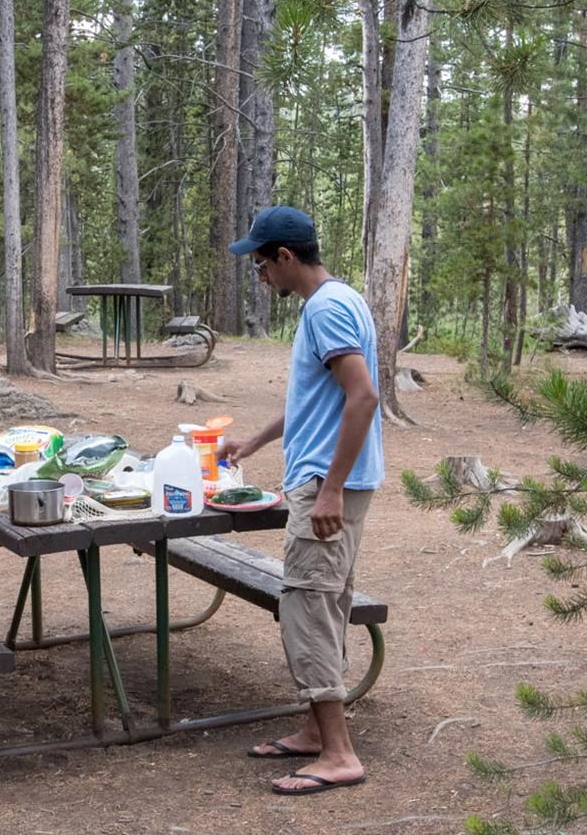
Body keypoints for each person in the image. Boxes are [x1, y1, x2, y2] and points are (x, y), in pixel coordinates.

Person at [217, 206, 384, 795]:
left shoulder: (328, 308)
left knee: (306, 607)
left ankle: (339, 754)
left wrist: (330, 487)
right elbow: (321, 398)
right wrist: (257, 440)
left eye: (260, 263)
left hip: (325, 483)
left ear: (286, 257)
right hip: (325, 477)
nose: (258, 274)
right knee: (325, 604)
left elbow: (362, 397)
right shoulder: (338, 300)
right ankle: (317, 733)